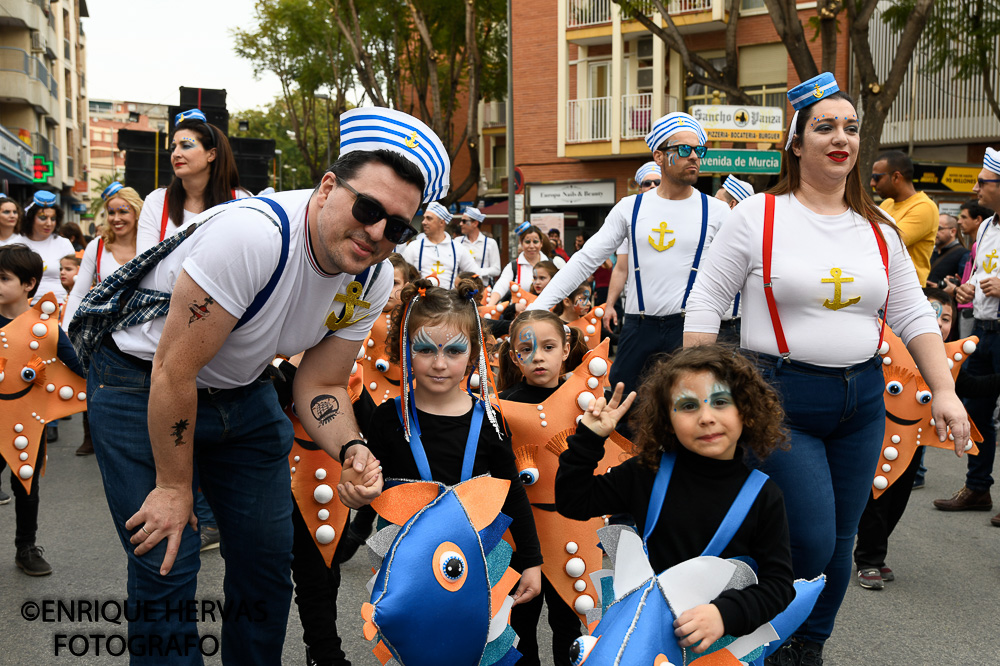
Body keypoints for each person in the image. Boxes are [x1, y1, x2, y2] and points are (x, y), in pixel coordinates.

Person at [70, 107, 446, 664]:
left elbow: (320, 383)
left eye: (397, 227)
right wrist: (175, 490)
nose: (375, 234)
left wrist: (353, 448)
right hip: (140, 380)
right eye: (367, 208)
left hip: (242, 390)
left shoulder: (374, 274)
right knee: (167, 558)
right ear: (326, 187)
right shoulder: (254, 236)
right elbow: (176, 371)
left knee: (269, 565)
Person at [682, 73, 969, 665]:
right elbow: (707, 300)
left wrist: (944, 390)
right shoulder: (757, 216)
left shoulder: (878, 228)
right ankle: (771, 637)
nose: (841, 137)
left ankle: (806, 648)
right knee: (810, 538)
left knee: (841, 541)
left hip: (862, 398)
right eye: (824, 127)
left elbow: (912, 310)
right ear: (796, 142)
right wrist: (695, 389)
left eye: (851, 127)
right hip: (780, 394)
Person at [555, 346, 795, 655]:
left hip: (719, 645)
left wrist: (725, 615)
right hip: (642, 634)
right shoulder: (647, 472)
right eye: (688, 406)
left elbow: (778, 584)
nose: (706, 418)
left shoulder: (764, 496)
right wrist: (588, 440)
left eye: (721, 402)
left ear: (745, 411)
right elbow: (573, 501)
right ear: (667, 420)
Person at [367, 278, 543, 608]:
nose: (439, 363)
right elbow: (371, 487)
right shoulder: (387, 418)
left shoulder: (491, 420)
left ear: (473, 353)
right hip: (405, 562)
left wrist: (531, 560)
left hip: (476, 559)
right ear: (404, 349)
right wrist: (357, 491)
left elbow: (512, 493)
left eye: (454, 351)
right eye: (425, 349)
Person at [534, 112, 730, 401]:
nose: (694, 157)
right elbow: (585, 259)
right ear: (659, 156)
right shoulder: (630, 208)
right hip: (639, 327)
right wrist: (537, 308)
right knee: (622, 408)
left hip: (688, 328)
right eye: (684, 150)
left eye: (699, 150)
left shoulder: (716, 211)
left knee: (685, 408)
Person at [496, 309, 587, 665]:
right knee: (520, 625)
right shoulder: (502, 405)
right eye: (527, 349)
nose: (538, 357)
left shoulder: (583, 399)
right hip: (521, 532)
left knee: (570, 624)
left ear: (566, 349)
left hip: (570, 531)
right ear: (515, 356)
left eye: (548, 347)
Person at [0, 244, 84, 576]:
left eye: (4, 278)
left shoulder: (45, 327)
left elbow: (75, 366)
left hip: (27, 425)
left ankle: (26, 548)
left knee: (27, 487)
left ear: (28, 283)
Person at [935, 147, 1000, 526]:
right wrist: (966, 288)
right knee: (976, 410)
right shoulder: (988, 226)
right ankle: (978, 487)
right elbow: (978, 272)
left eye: (982, 182)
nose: (975, 187)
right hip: (985, 330)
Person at [135, 109, 251, 253]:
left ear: (211, 154)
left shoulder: (241, 201)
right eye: (173, 147)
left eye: (186, 145)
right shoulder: (157, 201)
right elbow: (143, 264)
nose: (176, 154)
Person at [62, 182, 141, 331]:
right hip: (104, 334)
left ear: (136, 213)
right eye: (111, 213)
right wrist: (67, 331)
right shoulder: (97, 246)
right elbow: (79, 293)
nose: (116, 219)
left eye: (123, 212)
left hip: (143, 332)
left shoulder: (149, 243)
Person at [603, 161, 662, 332]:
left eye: (658, 183)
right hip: (637, 310)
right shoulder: (629, 219)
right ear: (640, 189)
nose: (652, 186)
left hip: (676, 310)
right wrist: (609, 305)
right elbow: (621, 269)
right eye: (647, 183)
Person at [870, 150, 939, 286]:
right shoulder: (887, 204)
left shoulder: (924, 207)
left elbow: (885, 242)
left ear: (896, 177)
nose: (872, 183)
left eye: (876, 177)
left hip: (907, 293)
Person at [402, 201, 478, 288]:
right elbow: (403, 275)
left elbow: (474, 274)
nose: (423, 222)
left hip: (450, 300)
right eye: (424, 218)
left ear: (441, 223)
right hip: (421, 299)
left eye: (429, 218)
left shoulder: (457, 248)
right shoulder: (414, 247)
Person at [945, 199, 993, 338]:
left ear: (978, 220)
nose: (959, 221)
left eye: (964, 217)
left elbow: (985, 283)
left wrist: (955, 290)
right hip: (969, 309)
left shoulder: (980, 245)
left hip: (971, 310)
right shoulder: (976, 244)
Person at [19, 191, 75, 306]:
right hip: (25, 307)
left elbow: (74, 277)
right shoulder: (16, 244)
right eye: (43, 218)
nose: (49, 223)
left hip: (60, 304)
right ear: (30, 218)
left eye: (53, 219)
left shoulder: (64, 244)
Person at [489, 223, 562, 305]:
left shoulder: (553, 263)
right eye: (527, 242)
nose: (531, 246)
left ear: (541, 243)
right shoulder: (513, 266)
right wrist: (490, 304)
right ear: (521, 243)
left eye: (535, 242)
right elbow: (501, 285)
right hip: (521, 314)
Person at [456, 206, 501, 281]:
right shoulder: (457, 242)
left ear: (475, 223)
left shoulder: (490, 243)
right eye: (461, 221)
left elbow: (496, 269)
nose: (460, 224)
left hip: (482, 288)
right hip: (461, 287)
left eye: (464, 221)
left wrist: (478, 272)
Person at [926, 212, 968, 288]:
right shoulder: (930, 252)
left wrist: (940, 287)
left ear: (953, 232)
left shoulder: (964, 255)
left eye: (939, 228)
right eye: (932, 228)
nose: (934, 232)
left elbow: (964, 285)